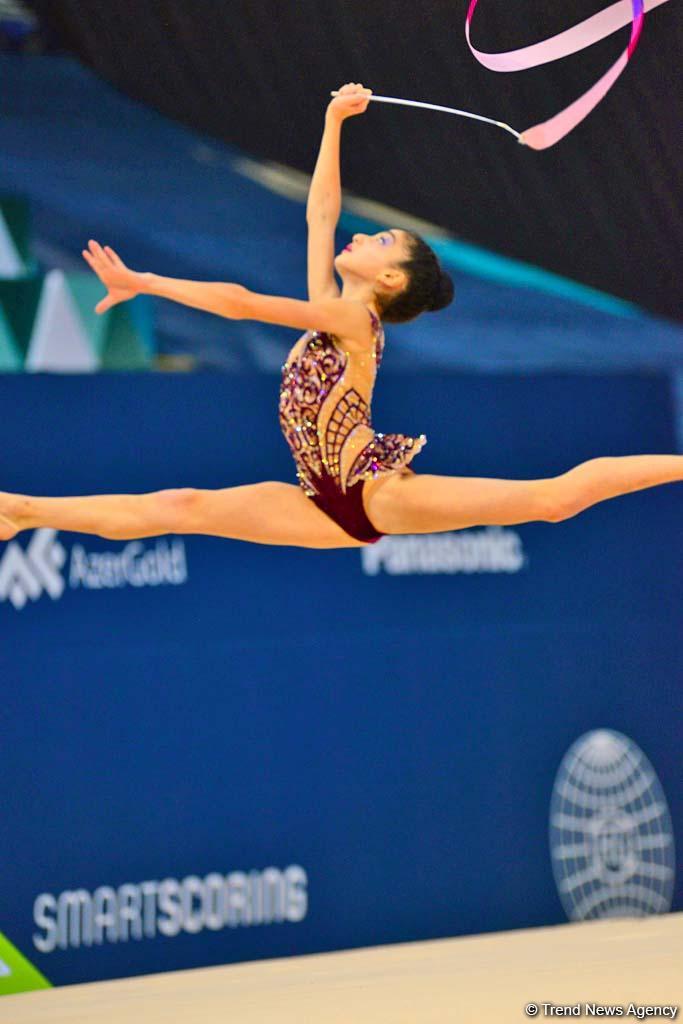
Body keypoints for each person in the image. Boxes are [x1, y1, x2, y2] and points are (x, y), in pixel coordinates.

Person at [1, 83, 682, 548]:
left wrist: (146, 280)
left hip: (371, 491)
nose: (361, 236)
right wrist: (331, 126)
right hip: (315, 498)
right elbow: (319, 213)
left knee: (551, 501)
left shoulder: (355, 325)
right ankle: (19, 512)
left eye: (381, 240)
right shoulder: (327, 312)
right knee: (180, 508)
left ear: (388, 279)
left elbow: (240, 304)